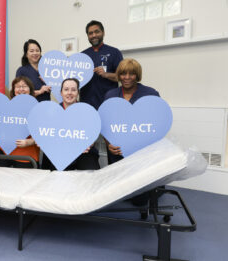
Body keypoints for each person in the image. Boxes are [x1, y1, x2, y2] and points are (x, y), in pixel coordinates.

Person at [104, 58, 160, 206]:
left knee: (139, 201)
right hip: (117, 151)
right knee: (118, 194)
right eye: (123, 74)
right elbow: (105, 124)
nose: (127, 78)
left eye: (131, 74)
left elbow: (157, 124)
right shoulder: (111, 95)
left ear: (137, 75)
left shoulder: (151, 94)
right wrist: (109, 144)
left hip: (142, 151)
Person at [41, 78, 100, 171]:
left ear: (77, 93)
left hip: (83, 152)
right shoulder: (53, 112)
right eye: (66, 89)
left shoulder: (87, 111)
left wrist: (87, 144)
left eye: (73, 90)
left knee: (90, 172)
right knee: (57, 174)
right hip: (60, 152)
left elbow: (92, 134)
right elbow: (49, 136)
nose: (69, 93)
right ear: (61, 93)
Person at [0, 76, 39, 168]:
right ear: (14, 90)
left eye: (24, 86)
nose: (21, 89)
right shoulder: (6, 107)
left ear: (30, 89)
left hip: (26, 150)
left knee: (25, 178)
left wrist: (30, 142)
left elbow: (43, 134)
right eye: (17, 87)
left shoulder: (38, 109)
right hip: (4, 148)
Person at [81, 20, 123, 110]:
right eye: (90, 33)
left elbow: (122, 77)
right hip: (86, 104)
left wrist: (106, 74)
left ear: (103, 33)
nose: (94, 35)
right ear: (88, 36)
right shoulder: (82, 55)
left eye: (97, 32)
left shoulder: (114, 52)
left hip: (108, 103)